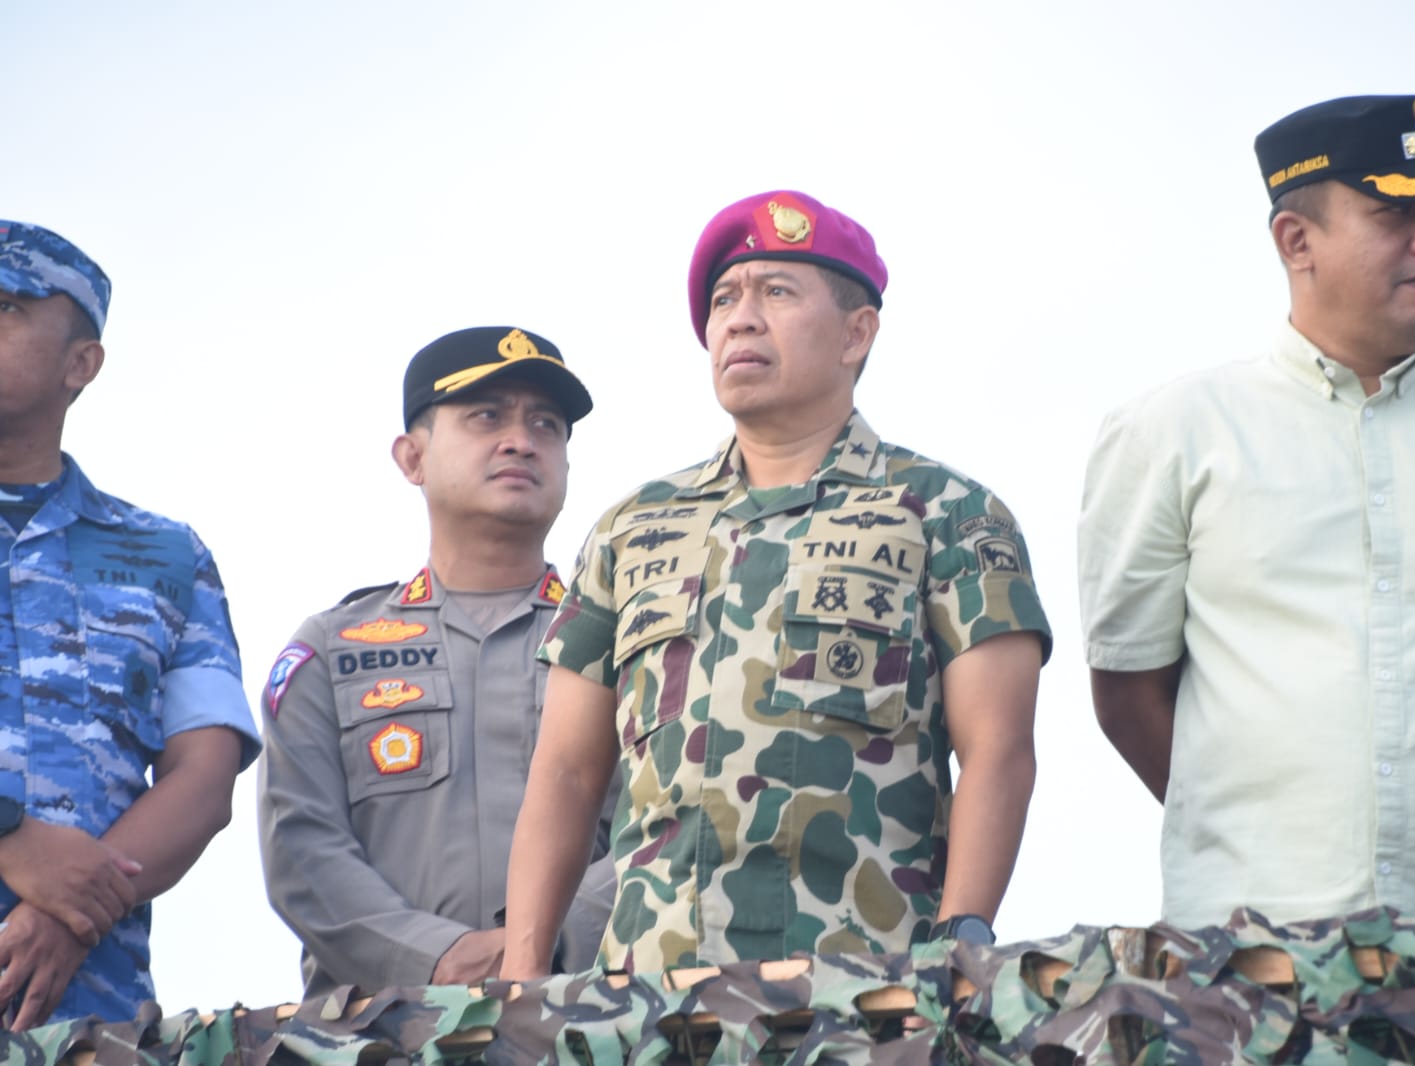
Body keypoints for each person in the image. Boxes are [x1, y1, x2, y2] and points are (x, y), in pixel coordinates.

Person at [501, 190, 1051, 980]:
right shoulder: (634, 527)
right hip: (651, 997)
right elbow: (565, 770)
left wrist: (959, 946)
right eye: (725, 299)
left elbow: (998, 748)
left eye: (776, 293)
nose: (740, 319)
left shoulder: (946, 512)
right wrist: (524, 979)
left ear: (857, 333)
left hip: (865, 990)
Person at [1078, 96, 1415, 929]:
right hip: (1252, 948)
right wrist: (1266, 825)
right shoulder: (1171, 433)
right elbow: (1129, 694)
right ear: (1296, 241)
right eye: (1396, 212)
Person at [258, 326, 617, 996]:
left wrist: (546, 946)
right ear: (411, 457)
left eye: (546, 424)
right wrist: (437, 956)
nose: (520, 440)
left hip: (583, 1021)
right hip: (379, 1031)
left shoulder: (628, 645)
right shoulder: (332, 651)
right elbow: (301, 846)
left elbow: (665, 825)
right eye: (487, 416)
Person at [0, 220, 259, 1028]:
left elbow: (204, 777)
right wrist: (13, 838)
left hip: (89, 1009)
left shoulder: (165, 555)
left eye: (6, 306)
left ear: (81, 363)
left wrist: (75, 907)